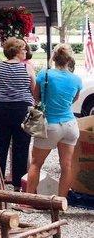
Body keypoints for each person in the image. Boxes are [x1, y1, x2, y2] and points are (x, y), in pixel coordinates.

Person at [26, 44, 82, 199]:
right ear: (69, 59)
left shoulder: (45, 74)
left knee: (36, 163)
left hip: (49, 125)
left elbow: (36, 97)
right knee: (66, 166)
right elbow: (73, 100)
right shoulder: (76, 79)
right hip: (70, 125)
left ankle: (27, 201)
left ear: (54, 57)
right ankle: (60, 202)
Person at [0, 37, 35, 191]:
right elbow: (34, 91)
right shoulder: (27, 68)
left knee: (0, 146)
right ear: (16, 51)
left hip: (2, 109)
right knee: (21, 147)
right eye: (23, 49)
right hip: (23, 110)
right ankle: (18, 185)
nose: (26, 52)